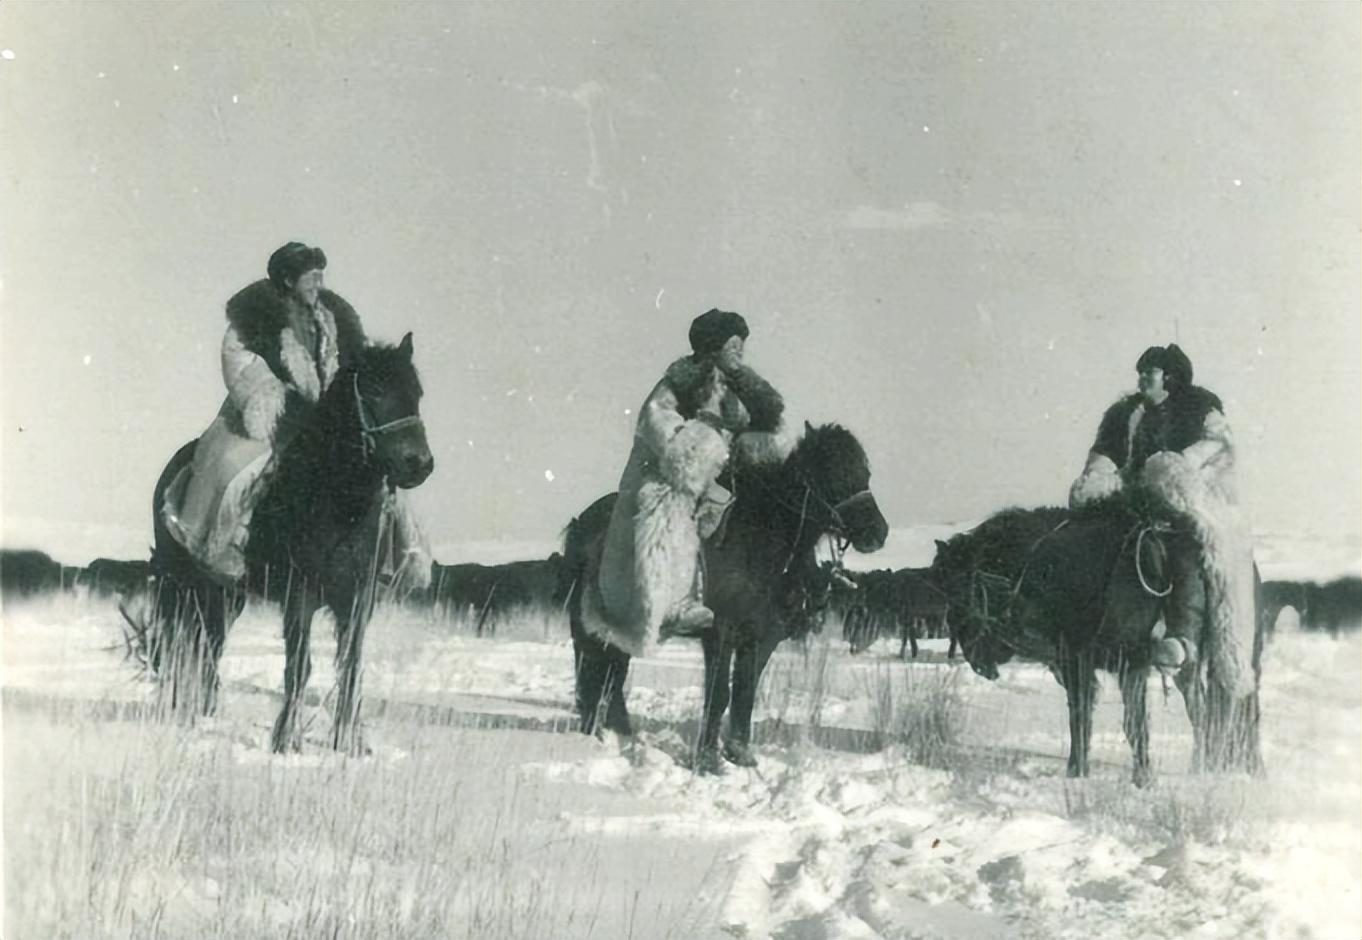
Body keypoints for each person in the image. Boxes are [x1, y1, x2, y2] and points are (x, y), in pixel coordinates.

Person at [163, 242, 429, 586]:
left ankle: (397, 557)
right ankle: (225, 546)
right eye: (310, 277)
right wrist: (278, 401)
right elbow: (241, 368)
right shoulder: (251, 322)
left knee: (379, 472)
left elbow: (350, 370)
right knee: (235, 471)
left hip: (326, 422)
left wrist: (342, 405)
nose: (318, 284)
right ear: (289, 280)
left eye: (320, 276)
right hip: (267, 420)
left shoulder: (335, 321)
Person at [595, 308, 787, 648]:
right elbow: (659, 427)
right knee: (671, 514)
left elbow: (763, 428)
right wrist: (703, 439)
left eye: (741, 344)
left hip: (725, 472)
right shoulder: (678, 384)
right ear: (713, 348)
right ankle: (676, 602)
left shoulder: (743, 388)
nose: (739, 351)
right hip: (672, 474)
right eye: (732, 345)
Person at [1069, 344, 1255, 692]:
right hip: (1134, 500)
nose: (1141, 379)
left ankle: (1182, 636)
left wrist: (1177, 467)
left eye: (1149, 372)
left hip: (1183, 499)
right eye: (1140, 372)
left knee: (1186, 550)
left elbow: (1216, 446)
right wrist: (1097, 476)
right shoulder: (1126, 414)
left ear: (1169, 377)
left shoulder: (1200, 409)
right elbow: (1106, 452)